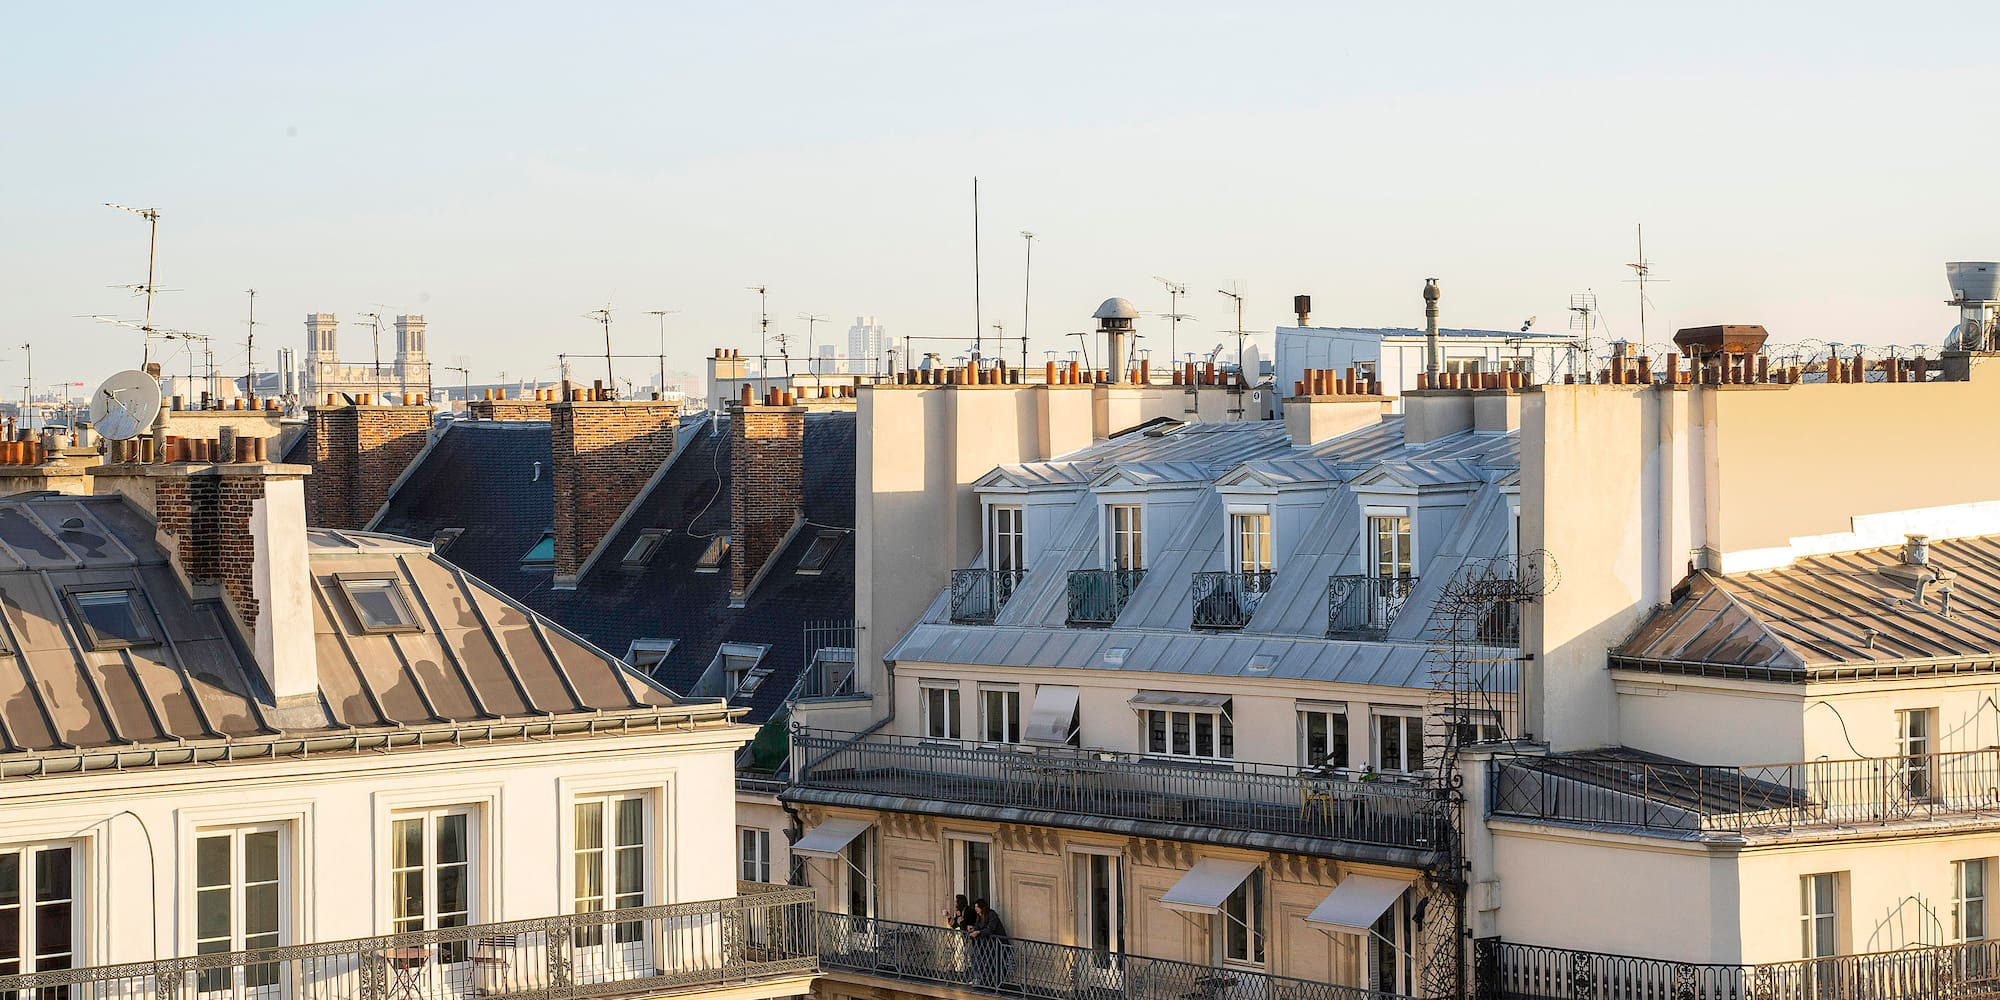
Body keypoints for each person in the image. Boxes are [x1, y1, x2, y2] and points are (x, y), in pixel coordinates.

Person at [966, 898, 1010, 987]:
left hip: (998, 944)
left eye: (977, 907)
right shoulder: (979, 916)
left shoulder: (991, 914)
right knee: (989, 963)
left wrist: (978, 932)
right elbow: (978, 926)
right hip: (988, 945)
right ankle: (988, 983)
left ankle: (996, 984)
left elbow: (990, 928)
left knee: (997, 964)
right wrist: (973, 928)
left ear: (982, 907)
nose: (975, 909)